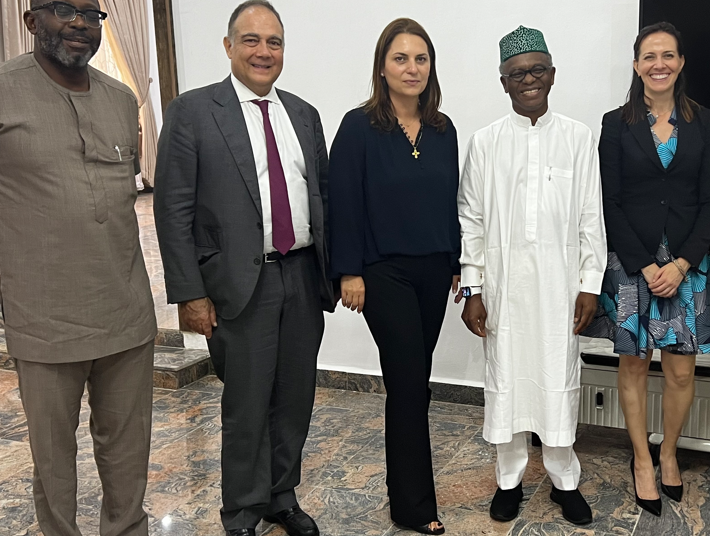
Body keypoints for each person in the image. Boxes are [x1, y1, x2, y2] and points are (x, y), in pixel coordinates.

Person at [153, 2, 334, 535]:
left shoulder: (303, 114)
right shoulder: (192, 111)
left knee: (295, 399)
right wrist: (189, 292)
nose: (263, 51)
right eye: (251, 40)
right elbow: (174, 207)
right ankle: (242, 510)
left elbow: (319, 196)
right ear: (229, 46)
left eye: (274, 41)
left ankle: (282, 496)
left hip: (301, 276)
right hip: (237, 284)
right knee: (247, 405)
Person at [0, 0, 158, 534]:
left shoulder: (120, 99)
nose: (79, 24)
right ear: (30, 20)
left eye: (92, 15)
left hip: (126, 313)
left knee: (128, 454)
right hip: (43, 320)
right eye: (65, 10)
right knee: (54, 464)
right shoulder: (4, 90)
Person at [458, 25, 607, 526]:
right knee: (507, 382)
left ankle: (565, 479)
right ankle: (509, 480)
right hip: (503, 289)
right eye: (517, 73)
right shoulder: (485, 143)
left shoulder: (578, 138)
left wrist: (589, 284)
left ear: (552, 75)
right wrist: (473, 289)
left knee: (558, 379)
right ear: (503, 82)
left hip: (560, 288)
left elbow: (591, 217)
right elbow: (471, 220)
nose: (528, 79)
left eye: (537, 70)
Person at [328, 18, 460, 536]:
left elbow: (452, 201)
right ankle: (412, 505)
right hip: (383, 273)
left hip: (434, 271)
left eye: (420, 59)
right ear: (382, 68)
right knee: (408, 384)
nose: (411, 68)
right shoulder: (359, 127)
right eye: (400, 58)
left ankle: (406, 489)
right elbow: (344, 203)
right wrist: (348, 272)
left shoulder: (443, 129)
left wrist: (456, 265)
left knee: (415, 382)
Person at [583, 22, 710, 516]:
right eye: (649, 55)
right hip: (631, 262)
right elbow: (607, 201)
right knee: (634, 364)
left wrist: (681, 263)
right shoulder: (616, 123)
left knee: (681, 370)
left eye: (669, 55)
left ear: (680, 63)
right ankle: (641, 460)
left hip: (688, 264)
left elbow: (707, 201)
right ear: (636, 65)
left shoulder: (704, 122)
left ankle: (669, 453)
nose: (659, 63)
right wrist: (641, 263)